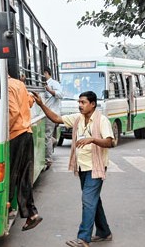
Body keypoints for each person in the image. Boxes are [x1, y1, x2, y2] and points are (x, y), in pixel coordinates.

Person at [32, 91, 114, 247]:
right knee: (93, 200)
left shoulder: (102, 121)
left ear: (93, 104)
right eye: (79, 102)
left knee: (88, 201)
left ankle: (83, 238)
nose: (80, 105)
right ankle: (104, 232)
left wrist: (93, 139)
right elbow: (56, 118)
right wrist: (41, 104)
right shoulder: (78, 118)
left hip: (95, 167)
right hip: (82, 166)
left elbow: (110, 142)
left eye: (83, 102)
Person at [8, 75, 43, 231]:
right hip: (27, 133)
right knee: (24, 177)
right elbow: (30, 101)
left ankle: (6, 209)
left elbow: (13, 113)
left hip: (15, 134)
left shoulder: (7, 86)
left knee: (10, 175)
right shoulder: (19, 84)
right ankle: (31, 214)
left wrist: (0, 130)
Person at [43, 67, 63, 170]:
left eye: (42, 74)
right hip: (45, 114)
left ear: (46, 73)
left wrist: (51, 91)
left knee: (46, 136)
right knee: (46, 136)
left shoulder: (54, 83)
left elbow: (61, 94)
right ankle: (53, 141)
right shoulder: (44, 84)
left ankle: (48, 160)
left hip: (51, 114)